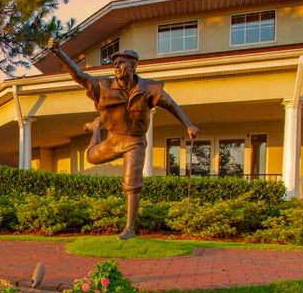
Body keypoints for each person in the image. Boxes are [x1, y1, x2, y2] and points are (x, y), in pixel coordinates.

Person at [48, 38, 198, 239]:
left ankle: (129, 228)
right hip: (113, 139)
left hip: (134, 141)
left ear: (133, 65)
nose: (116, 66)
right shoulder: (104, 85)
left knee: (131, 183)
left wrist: (188, 124)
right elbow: (79, 76)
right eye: (114, 63)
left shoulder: (149, 88)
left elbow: (171, 104)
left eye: (121, 62)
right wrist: (59, 53)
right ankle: (96, 128)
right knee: (90, 156)